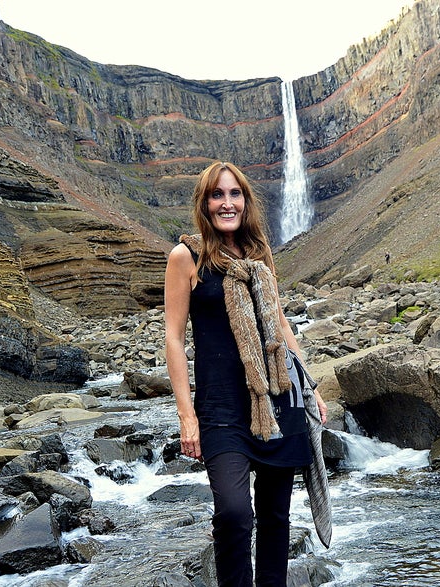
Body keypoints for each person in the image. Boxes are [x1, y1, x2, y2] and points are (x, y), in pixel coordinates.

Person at [164, 161, 328, 586]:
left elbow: (280, 323)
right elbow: (174, 338)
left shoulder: (258, 254)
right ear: (204, 203)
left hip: (277, 400)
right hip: (221, 409)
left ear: (246, 201)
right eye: (217, 195)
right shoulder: (187, 257)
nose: (227, 203)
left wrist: (309, 388)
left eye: (234, 194)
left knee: (275, 516)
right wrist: (186, 416)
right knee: (235, 513)